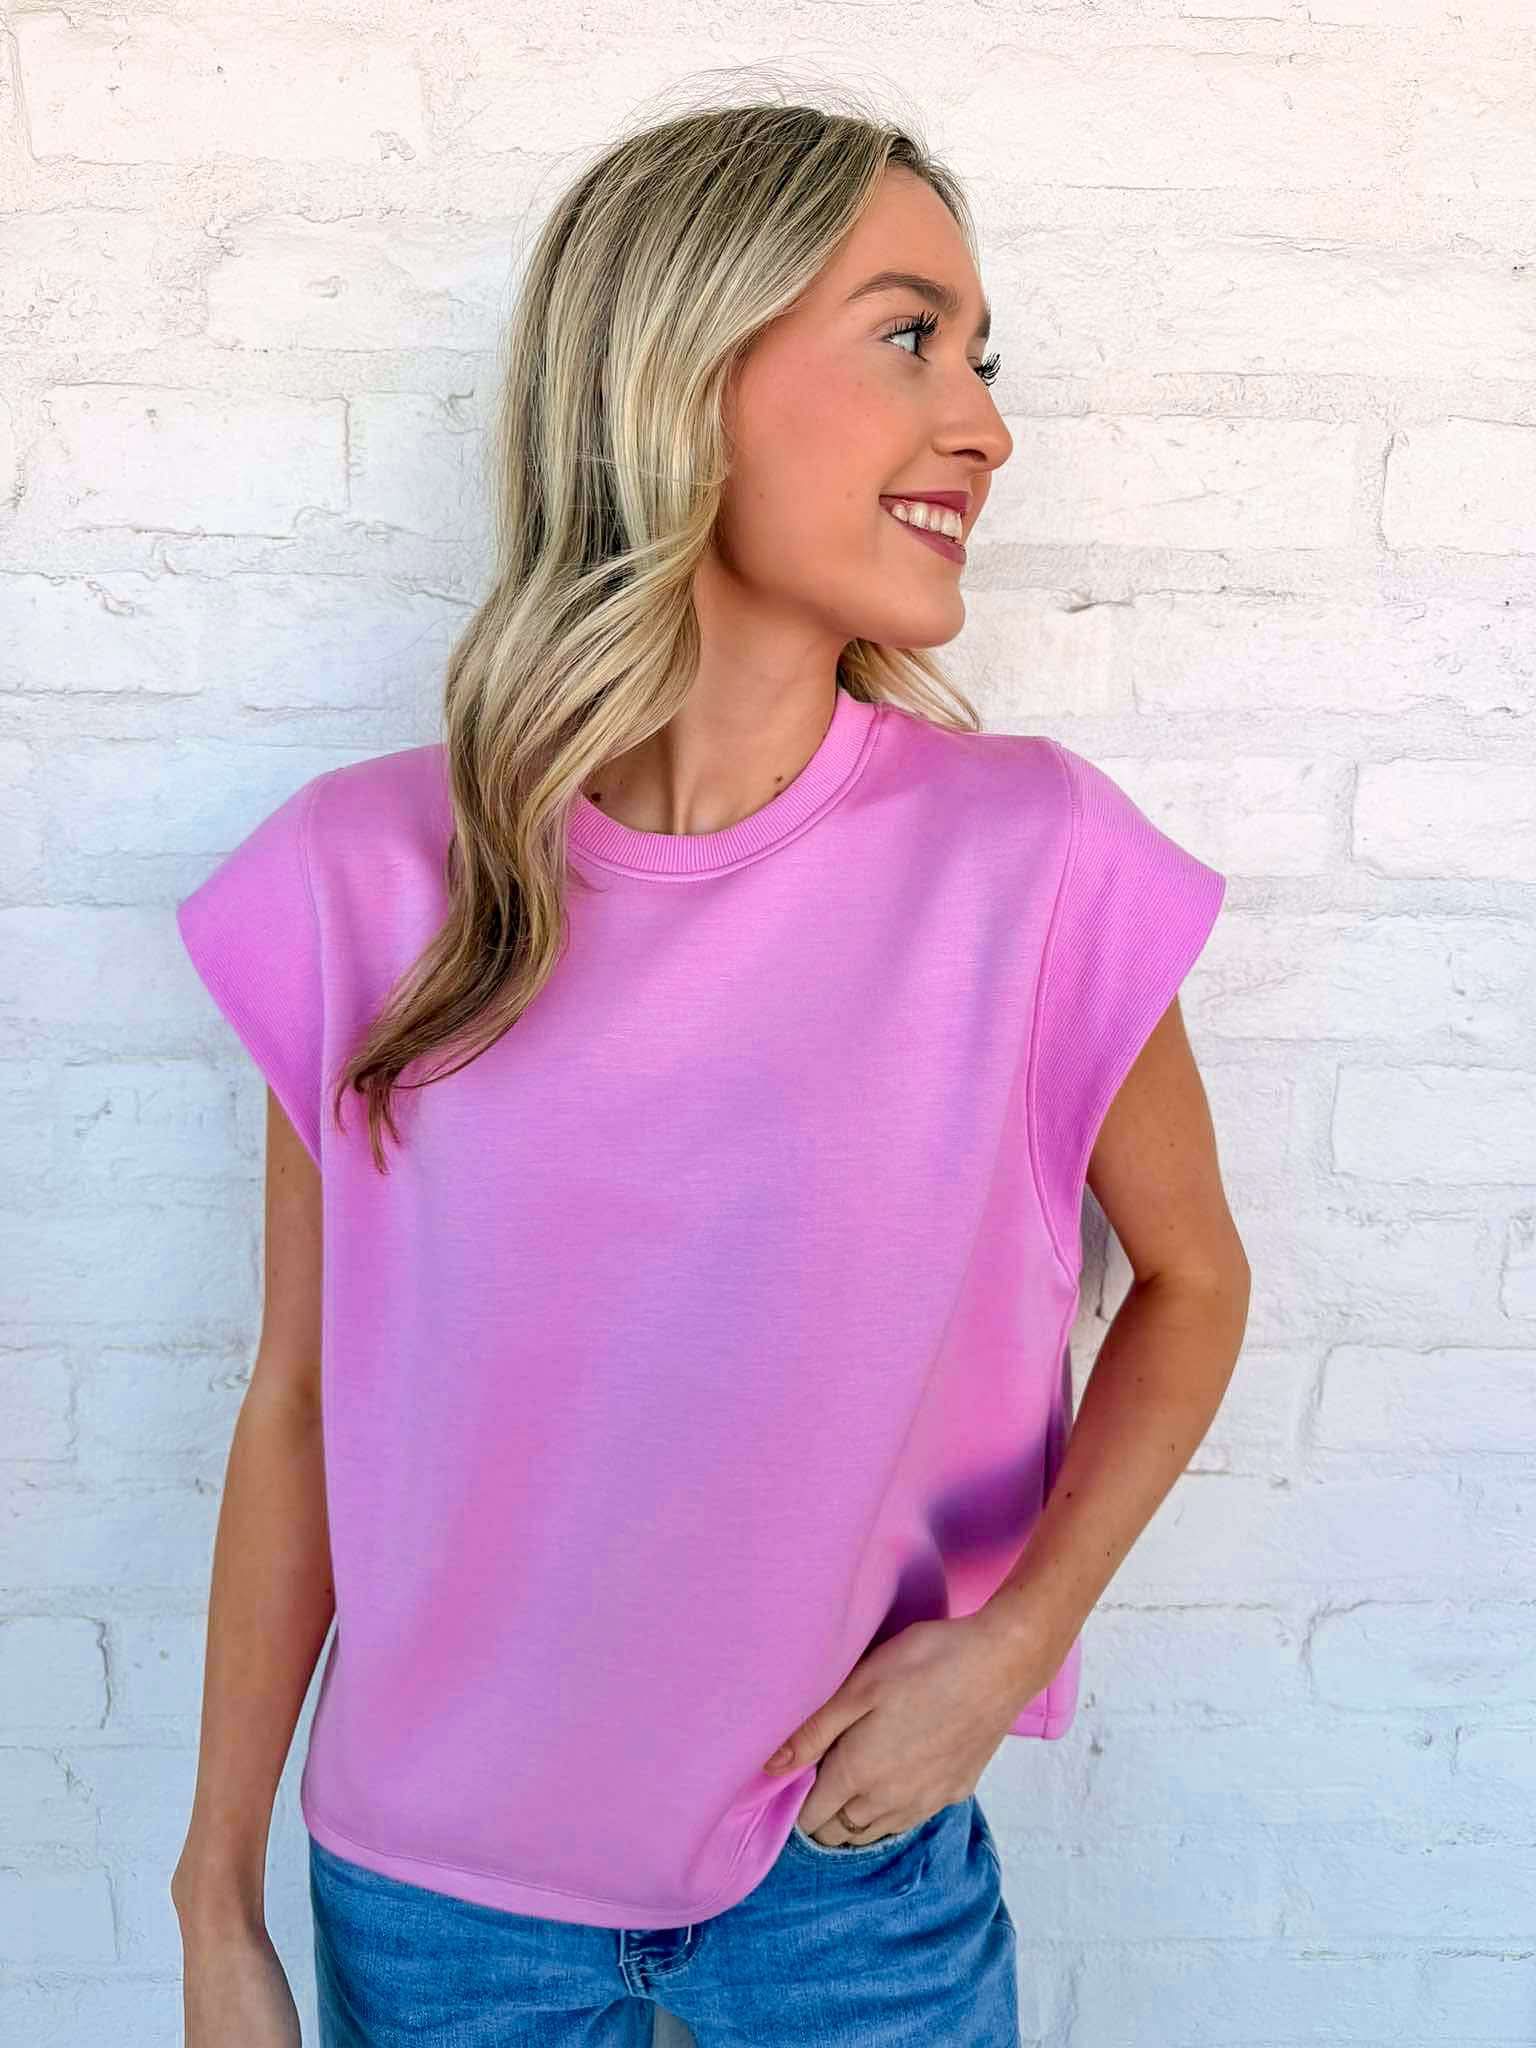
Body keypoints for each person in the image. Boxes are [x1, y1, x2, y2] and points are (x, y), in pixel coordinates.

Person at [168, 84, 1250, 2048]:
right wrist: (212, 1897)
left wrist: (1013, 1644)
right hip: (428, 1902)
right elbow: (304, 1402)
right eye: (910, 335)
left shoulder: (1032, 865)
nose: (985, 426)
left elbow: (1195, 1278)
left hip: (850, 1878)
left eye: (983, 357)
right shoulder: (357, 883)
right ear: (686, 372)